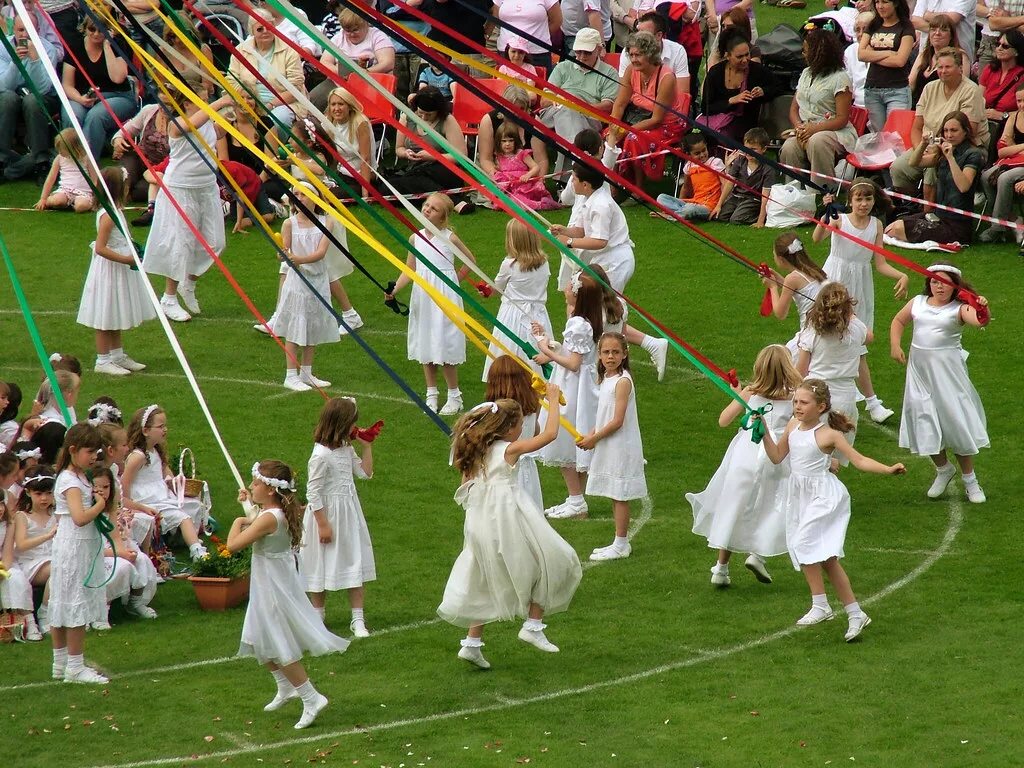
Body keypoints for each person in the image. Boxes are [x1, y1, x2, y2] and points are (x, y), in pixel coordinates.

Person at [438, 388, 582, 669]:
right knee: (550, 561)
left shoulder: (476, 450)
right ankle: (533, 624)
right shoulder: (508, 449)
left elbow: (465, 486)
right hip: (505, 518)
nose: (521, 431)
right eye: (519, 426)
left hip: (479, 521)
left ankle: (472, 643)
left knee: (483, 575)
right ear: (508, 428)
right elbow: (550, 435)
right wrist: (552, 401)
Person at [759, 379, 906, 642]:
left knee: (803, 543)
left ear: (821, 406)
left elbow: (859, 460)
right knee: (826, 558)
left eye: (804, 402)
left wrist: (887, 469)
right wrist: (763, 432)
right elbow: (777, 456)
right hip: (801, 496)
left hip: (824, 497)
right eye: (795, 402)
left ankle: (820, 605)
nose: (797, 407)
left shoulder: (829, 435)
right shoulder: (793, 426)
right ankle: (855, 613)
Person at [232, 460, 349, 730]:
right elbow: (260, 522)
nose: (251, 486)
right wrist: (248, 506)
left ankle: (311, 697)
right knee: (258, 636)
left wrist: (239, 519)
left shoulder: (269, 518)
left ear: (271, 490)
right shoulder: (277, 513)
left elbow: (234, 543)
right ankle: (285, 687)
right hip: (272, 581)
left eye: (256, 484)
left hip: (272, 586)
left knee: (277, 640)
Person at [688, 344, 802, 587]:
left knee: (734, 507)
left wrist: (740, 395)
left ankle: (721, 568)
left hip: (745, 455)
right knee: (772, 505)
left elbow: (723, 420)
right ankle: (757, 555)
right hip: (775, 455)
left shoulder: (752, 392)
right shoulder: (795, 397)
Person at [890, 264, 989, 503]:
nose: (939, 286)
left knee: (955, 422)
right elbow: (899, 321)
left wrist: (982, 307)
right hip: (919, 375)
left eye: (944, 282)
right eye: (934, 281)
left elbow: (979, 321)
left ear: (954, 285)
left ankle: (970, 481)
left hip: (948, 376)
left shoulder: (959, 308)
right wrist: (895, 345)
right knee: (923, 420)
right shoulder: (918, 302)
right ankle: (943, 469)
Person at [813, 178, 907, 423]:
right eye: (859, 199)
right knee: (825, 338)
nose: (863, 204)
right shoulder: (839, 220)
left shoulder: (876, 225)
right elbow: (816, 238)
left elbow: (880, 263)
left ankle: (863, 398)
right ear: (850, 201)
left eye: (868, 198)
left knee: (857, 342)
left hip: (860, 285)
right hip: (835, 282)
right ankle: (872, 403)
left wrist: (902, 275)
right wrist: (826, 214)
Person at [385, 192, 479, 416]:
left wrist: (454, 280)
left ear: (443, 218)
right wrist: (394, 290)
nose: (427, 209)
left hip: (445, 297)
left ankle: (454, 395)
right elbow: (411, 269)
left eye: (434, 209)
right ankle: (431, 393)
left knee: (445, 342)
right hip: (423, 297)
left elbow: (471, 261)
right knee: (426, 342)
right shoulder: (415, 238)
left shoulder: (449, 238)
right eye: (427, 205)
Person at [144, 92, 234, 323]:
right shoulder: (178, 124)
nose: (206, 104)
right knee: (180, 243)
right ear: (185, 103)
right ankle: (169, 298)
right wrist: (220, 103)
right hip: (180, 189)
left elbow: (220, 130)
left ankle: (189, 284)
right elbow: (193, 124)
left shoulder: (208, 123)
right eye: (200, 100)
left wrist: (235, 110)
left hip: (206, 188)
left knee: (216, 242)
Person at [300, 397, 375, 637]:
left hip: (347, 513)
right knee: (320, 564)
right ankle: (318, 615)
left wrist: (367, 446)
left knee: (353, 560)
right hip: (326, 515)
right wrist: (322, 524)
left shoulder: (346, 448)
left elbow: (364, 473)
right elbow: (313, 492)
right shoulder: (320, 455)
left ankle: (358, 619)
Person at [534, 271, 603, 519]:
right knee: (575, 439)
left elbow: (573, 363)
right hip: (583, 384)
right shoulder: (587, 320)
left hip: (572, 385)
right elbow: (577, 354)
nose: (564, 287)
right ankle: (576, 497)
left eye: (569, 286)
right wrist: (551, 343)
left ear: (577, 294)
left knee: (563, 436)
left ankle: (576, 501)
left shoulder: (578, 323)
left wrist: (545, 348)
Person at [76, 167, 156, 377]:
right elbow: (101, 248)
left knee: (114, 311)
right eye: (126, 184)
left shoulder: (116, 211)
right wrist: (127, 259)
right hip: (110, 271)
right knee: (105, 314)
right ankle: (102, 360)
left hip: (118, 269)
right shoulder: (108, 216)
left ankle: (117, 355)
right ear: (119, 188)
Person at [49, 423, 110, 683]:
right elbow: (79, 517)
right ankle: (72, 666)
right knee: (72, 602)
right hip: (73, 546)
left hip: (80, 546)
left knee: (68, 599)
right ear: (73, 450)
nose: (93, 457)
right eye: (89, 452)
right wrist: (100, 504)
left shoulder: (80, 477)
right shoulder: (69, 481)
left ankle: (62, 664)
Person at [578, 332, 647, 561]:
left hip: (621, 445)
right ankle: (618, 541)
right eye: (606, 352)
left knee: (619, 494)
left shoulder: (622, 381)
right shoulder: (607, 378)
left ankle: (621, 543)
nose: (610, 356)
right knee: (614, 494)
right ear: (599, 355)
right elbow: (605, 415)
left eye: (616, 352)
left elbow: (617, 421)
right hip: (610, 443)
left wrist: (594, 439)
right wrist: (592, 433)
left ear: (625, 354)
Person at [893, 48, 987, 196]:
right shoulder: (929, 88)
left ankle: (930, 214)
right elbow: (917, 127)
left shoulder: (971, 91)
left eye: (948, 67)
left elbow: (968, 132)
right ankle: (914, 203)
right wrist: (920, 149)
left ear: (960, 68)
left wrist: (936, 151)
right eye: (940, 67)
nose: (943, 71)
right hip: (928, 144)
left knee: (932, 169)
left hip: (961, 147)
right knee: (898, 168)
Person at [274, 184, 341, 392]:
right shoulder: (289, 223)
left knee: (313, 324)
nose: (300, 198)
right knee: (295, 325)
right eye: (297, 194)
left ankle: (306, 372)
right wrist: (284, 255)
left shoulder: (326, 222)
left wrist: (298, 259)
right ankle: (290, 375)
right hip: (298, 282)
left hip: (317, 279)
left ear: (315, 198)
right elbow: (284, 250)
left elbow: (320, 253)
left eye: (304, 194)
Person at [120, 404, 209, 559]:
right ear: (146, 431)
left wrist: (177, 483)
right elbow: (124, 490)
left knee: (193, 504)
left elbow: (167, 475)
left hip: (161, 496)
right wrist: (137, 507)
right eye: (160, 426)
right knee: (183, 517)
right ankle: (197, 551)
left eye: (165, 426)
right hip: (146, 501)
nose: (165, 429)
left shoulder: (155, 450)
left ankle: (184, 539)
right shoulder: (138, 457)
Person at [885, 110, 985, 244]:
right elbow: (914, 162)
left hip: (957, 224)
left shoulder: (973, 154)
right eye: (946, 130)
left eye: (954, 130)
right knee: (893, 226)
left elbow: (964, 186)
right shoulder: (942, 153)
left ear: (965, 131)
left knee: (896, 230)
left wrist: (950, 158)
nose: (949, 135)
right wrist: (923, 144)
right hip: (938, 215)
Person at [795, 283, 870, 455]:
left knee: (808, 458)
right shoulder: (857, 329)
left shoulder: (812, 331)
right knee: (833, 462)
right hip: (846, 400)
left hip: (814, 397)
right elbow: (869, 337)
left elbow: (800, 372)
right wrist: (851, 316)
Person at [609, 30, 687, 190]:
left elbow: (657, 119)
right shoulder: (631, 70)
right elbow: (620, 104)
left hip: (666, 124)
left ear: (650, 54)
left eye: (638, 55)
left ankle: (636, 188)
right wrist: (614, 124)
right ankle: (613, 183)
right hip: (638, 117)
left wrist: (625, 129)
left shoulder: (666, 78)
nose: (634, 59)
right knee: (608, 135)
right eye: (631, 55)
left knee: (633, 138)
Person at [779, 28, 857, 187]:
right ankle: (793, 191)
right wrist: (799, 127)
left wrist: (814, 129)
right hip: (806, 129)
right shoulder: (806, 73)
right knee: (789, 147)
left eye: (806, 51)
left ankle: (822, 191)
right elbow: (794, 108)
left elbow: (842, 119)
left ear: (819, 54)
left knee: (817, 142)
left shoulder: (840, 79)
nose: (803, 54)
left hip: (834, 131)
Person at [481, 219, 553, 381]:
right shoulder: (544, 263)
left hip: (512, 315)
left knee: (509, 350)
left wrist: (485, 290)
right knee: (538, 347)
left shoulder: (509, 265)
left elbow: (495, 287)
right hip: (538, 315)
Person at [550, 162, 635, 293]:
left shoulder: (601, 205)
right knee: (594, 303)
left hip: (615, 261)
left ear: (585, 185)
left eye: (574, 178)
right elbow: (580, 231)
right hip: (603, 258)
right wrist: (564, 230)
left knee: (605, 304)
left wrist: (569, 242)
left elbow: (600, 241)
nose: (571, 181)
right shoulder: (587, 198)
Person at [60, 18, 137, 160]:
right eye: (92, 29)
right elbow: (67, 84)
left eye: (101, 30)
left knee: (96, 116)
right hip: (83, 96)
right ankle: (69, 161)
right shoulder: (75, 47)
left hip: (118, 96)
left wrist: (108, 45)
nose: (96, 34)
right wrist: (80, 99)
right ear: (84, 28)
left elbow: (118, 78)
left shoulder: (117, 45)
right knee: (73, 115)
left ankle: (88, 163)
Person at [388, 87, 475, 213]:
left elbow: (460, 156)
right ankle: (447, 199)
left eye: (429, 114)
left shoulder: (447, 120)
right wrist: (406, 154)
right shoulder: (406, 117)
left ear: (438, 112)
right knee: (389, 187)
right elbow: (399, 148)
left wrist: (433, 156)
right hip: (414, 170)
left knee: (418, 176)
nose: (423, 117)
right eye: (420, 113)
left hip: (442, 170)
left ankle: (453, 202)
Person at [0, 15, 61, 184]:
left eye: (29, 30)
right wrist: (15, 63)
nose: (25, 35)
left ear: (38, 30)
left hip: (42, 98)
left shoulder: (48, 49)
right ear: (14, 30)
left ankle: (41, 162)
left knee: (33, 101)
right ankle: (1, 159)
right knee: (6, 98)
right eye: (21, 30)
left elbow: (42, 88)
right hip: (12, 94)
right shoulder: (2, 47)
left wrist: (34, 60)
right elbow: (4, 86)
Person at [537, 28, 620, 144]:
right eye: (578, 51)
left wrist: (581, 106)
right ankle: (576, 153)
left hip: (589, 116)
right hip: (556, 110)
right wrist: (559, 100)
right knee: (568, 111)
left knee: (570, 112)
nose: (581, 56)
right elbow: (544, 101)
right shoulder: (562, 67)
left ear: (599, 49)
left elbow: (608, 106)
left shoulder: (609, 73)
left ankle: (572, 155)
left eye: (587, 52)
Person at [228, 10, 305, 131]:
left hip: (282, 104)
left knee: (275, 122)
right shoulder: (240, 50)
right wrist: (246, 101)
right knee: (222, 121)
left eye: (268, 27)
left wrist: (270, 104)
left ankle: (272, 149)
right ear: (252, 31)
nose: (265, 31)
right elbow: (232, 81)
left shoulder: (289, 50)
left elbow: (295, 89)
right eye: (259, 29)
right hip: (246, 101)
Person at [484, 355, 545, 508]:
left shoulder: (493, 412)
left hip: (504, 470)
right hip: (527, 470)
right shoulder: (531, 406)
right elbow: (535, 432)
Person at [761, 232, 827, 361]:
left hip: (810, 334)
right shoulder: (814, 269)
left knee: (784, 364)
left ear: (780, 258)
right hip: (823, 329)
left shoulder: (792, 278)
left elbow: (780, 313)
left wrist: (773, 287)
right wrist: (778, 279)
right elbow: (797, 288)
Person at [701, 31, 773, 145]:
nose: (745, 60)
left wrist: (763, 91)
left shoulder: (756, 70)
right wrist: (731, 101)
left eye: (747, 54)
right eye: (739, 56)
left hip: (745, 126)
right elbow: (705, 108)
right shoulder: (715, 73)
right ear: (727, 56)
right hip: (718, 124)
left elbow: (777, 86)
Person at [477, 86, 550, 196]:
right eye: (512, 109)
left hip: (525, 176)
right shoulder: (489, 120)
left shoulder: (535, 123)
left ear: (527, 108)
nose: (516, 113)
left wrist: (539, 180)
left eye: (521, 109)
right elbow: (485, 159)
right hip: (499, 173)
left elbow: (541, 160)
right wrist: (498, 177)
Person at [859, 0, 916, 132]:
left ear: (895, 3)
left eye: (884, 2)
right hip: (872, 90)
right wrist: (889, 53)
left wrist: (873, 55)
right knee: (879, 137)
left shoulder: (906, 27)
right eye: (877, 2)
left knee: (895, 136)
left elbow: (900, 61)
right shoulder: (873, 25)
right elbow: (861, 54)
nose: (880, 6)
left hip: (897, 90)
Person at [111, 91, 171, 214]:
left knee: (141, 191)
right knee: (125, 176)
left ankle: (129, 193)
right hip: (139, 158)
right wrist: (118, 139)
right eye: (160, 102)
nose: (162, 107)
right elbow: (127, 129)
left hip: (162, 167)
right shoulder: (149, 110)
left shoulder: (181, 121)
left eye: (168, 104)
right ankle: (121, 190)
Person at [14, 465, 56, 634]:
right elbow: (22, 544)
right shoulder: (22, 516)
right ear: (28, 493)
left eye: (48, 493)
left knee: (64, 566)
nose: (44, 498)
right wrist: (47, 536)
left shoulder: (55, 514)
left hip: (53, 558)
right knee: (58, 568)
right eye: (39, 494)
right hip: (31, 562)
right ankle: (44, 614)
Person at [980, 83, 1024, 242]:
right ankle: (1012, 220)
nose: (1021, 105)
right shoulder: (1013, 118)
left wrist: (1013, 147)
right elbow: (1002, 151)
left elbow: (1008, 148)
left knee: (1004, 178)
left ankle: (996, 229)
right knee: (986, 176)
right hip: (1011, 162)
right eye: (1019, 101)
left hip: (1018, 167)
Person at [0, 478, 40, 640]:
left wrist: (2, 570)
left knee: (15, 579)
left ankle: (30, 623)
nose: (0, 509)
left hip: (5, 562)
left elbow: (9, 553)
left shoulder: (9, 523)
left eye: (1, 504)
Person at [710, 128, 775, 226]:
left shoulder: (768, 168)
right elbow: (729, 183)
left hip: (753, 200)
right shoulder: (740, 160)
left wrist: (760, 221)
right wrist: (718, 205)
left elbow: (765, 196)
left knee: (736, 220)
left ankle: (763, 217)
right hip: (736, 197)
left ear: (764, 149)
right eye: (746, 148)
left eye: (753, 149)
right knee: (719, 217)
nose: (748, 152)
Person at [616, 12, 691, 95]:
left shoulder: (678, 51)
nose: (639, 37)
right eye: (638, 32)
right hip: (633, 103)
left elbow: (682, 92)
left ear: (659, 35)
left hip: (668, 104)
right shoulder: (630, 51)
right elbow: (622, 91)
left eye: (644, 34)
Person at [655, 133, 726, 221]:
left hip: (709, 205)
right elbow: (686, 187)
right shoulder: (689, 166)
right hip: (694, 202)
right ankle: (683, 214)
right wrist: (679, 201)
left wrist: (719, 205)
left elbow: (725, 184)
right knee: (661, 198)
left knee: (690, 209)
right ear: (688, 155)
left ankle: (672, 216)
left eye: (704, 150)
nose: (702, 155)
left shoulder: (715, 163)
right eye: (697, 153)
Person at [490, 121, 560, 211]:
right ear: (498, 142)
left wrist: (528, 175)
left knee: (520, 201)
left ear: (516, 141)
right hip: (509, 188)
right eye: (504, 141)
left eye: (511, 141)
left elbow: (536, 167)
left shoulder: (521, 154)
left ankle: (542, 204)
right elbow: (502, 169)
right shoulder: (499, 156)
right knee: (502, 202)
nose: (507, 144)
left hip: (523, 187)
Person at [979, 30, 1024, 159]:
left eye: (1005, 46)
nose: (999, 48)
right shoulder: (989, 69)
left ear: (1016, 51)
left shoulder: (1022, 75)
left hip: (1006, 125)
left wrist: (1002, 115)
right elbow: (978, 98)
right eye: (998, 44)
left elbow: (1022, 109)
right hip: (984, 122)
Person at [907, 14, 968, 103]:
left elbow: (962, 89)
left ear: (951, 35)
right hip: (918, 106)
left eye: (943, 30)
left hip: (943, 108)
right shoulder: (924, 55)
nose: (937, 33)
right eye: (933, 29)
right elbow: (910, 85)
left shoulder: (961, 55)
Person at [34, 128, 95, 213]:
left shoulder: (87, 159)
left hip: (83, 193)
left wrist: (96, 199)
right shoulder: (59, 158)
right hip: (65, 190)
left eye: (61, 149)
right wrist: (43, 198)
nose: (59, 152)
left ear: (73, 148)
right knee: (57, 201)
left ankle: (77, 204)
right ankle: (64, 201)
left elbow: (95, 180)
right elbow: (50, 179)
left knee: (81, 206)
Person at [493, 0, 562, 73]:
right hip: (507, 52)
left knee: (538, 84)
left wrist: (539, 37)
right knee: (505, 83)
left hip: (537, 53)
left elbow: (557, 20)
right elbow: (495, 17)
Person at [910, 0, 976, 67]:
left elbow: (952, 19)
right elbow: (915, 22)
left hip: (956, 56)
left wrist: (927, 15)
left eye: (943, 29)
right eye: (934, 30)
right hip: (927, 54)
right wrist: (943, 29)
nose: (937, 33)